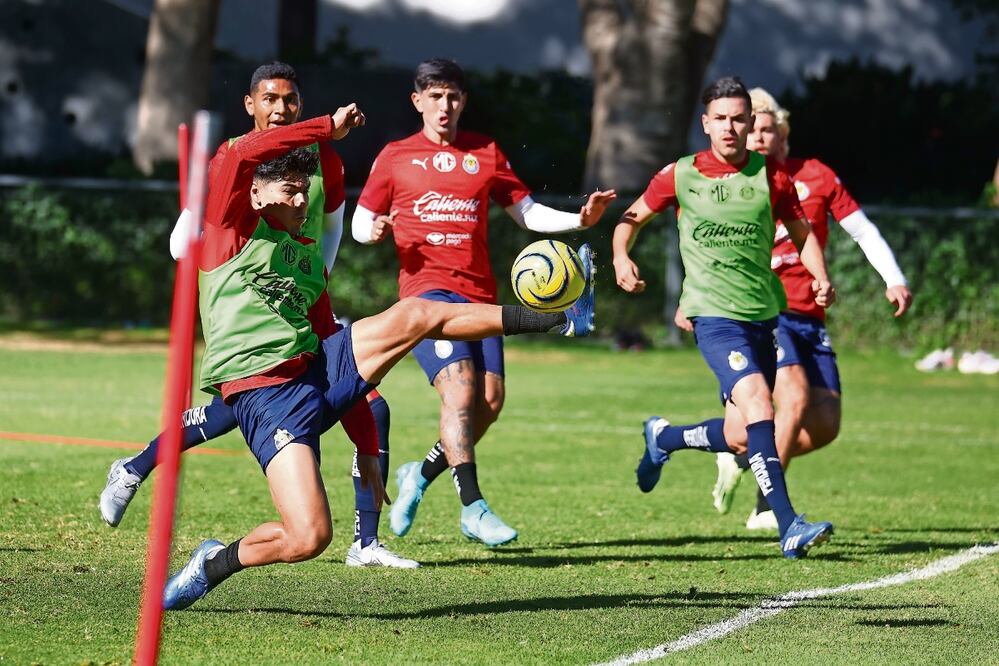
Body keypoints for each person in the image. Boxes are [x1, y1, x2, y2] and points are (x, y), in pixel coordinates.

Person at [162, 111, 597, 610]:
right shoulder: (226, 230)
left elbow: (336, 355)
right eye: (289, 188)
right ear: (256, 194)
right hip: (263, 396)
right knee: (308, 538)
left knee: (415, 313)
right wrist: (327, 127)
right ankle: (213, 563)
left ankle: (557, 319)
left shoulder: (305, 258)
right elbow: (238, 154)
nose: (302, 200)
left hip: (313, 372)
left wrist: (366, 446)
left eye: (306, 190)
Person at [99, 62, 416, 568]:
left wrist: (317, 278)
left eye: (289, 100)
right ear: (250, 104)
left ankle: (366, 542)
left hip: (303, 298)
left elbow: (330, 227)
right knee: (238, 407)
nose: (280, 109)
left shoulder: (324, 162)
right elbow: (185, 241)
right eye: (269, 99)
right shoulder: (234, 156)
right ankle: (135, 468)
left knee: (369, 404)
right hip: (247, 300)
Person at [351, 58, 615, 546]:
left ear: (463, 101)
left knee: (490, 402)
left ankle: (420, 475)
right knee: (461, 394)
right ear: (418, 102)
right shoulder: (394, 155)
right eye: (434, 96)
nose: (444, 106)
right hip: (426, 298)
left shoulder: (485, 152)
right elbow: (359, 221)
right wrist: (374, 230)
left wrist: (580, 218)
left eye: (452, 96)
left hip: (481, 297)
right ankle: (473, 507)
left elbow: (527, 212)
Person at [611, 76, 834, 559]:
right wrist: (620, 257)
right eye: (721, 119)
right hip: (713, 316)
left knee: (739, 436)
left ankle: (664, 437)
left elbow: (803, 232)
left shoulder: (771, 177)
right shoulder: (680, 173)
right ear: (706, 123)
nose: (731, 127)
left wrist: (819, 275)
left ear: (749, 122)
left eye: (739, 118)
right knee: (761, 404)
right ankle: (787, 523)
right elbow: (630, 218)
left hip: (762, 316)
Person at [705, 87, 912, 529]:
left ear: (783, 132)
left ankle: (735, 458)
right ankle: (769, 508)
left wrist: (893, 277)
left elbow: (862, 230)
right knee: (792, 395)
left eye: (766, 128)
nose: (758, 137)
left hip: (810, 318)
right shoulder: (733, 180)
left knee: (823, 425)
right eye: (751, 128)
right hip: (764, 311)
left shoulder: (815, 176)